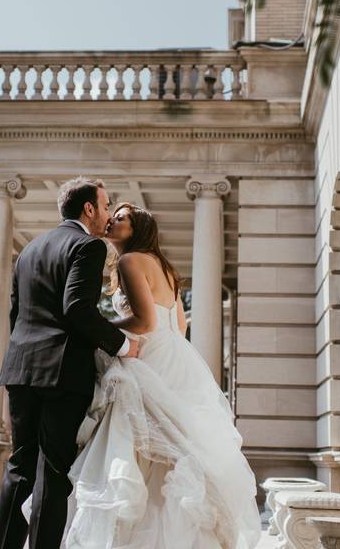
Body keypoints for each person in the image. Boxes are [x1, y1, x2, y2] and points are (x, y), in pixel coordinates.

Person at [63, 202, 262, 549]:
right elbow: (178, 326)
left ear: (137, 228)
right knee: (174, 447)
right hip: (176, 358)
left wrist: (99, 330)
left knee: (139, 444)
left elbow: (144, 322)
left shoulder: (128, 261)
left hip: (148, 358)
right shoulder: (165, 268)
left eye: (121, 218)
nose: (111, 221)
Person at [0, 178, 140, 549]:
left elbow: (16, 314)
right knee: (53, 474)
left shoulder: (30, 250)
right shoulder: (87, 246)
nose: (107, 215)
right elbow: (77, 309)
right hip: (61, 373)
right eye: (105, 206)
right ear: (88, 209)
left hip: (21, 369)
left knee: (19, 469)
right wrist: (123, 345)